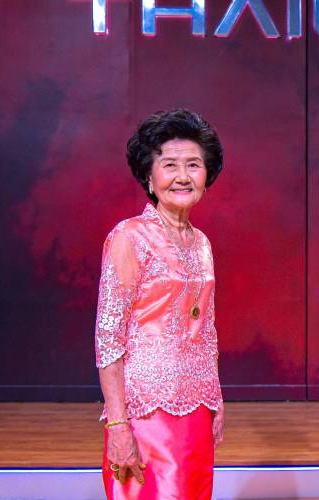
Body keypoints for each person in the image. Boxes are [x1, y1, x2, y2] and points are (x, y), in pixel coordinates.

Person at [95, 108, 224, 499]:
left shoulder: (201, 243)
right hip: (146, 413)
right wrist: (117, 424)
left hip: (197, 409)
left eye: (193, 165)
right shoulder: (129, 237)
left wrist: (215, 399)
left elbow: (207, 330)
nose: (183, 176)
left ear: (206, 175)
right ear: (149, 177)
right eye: (170, 165)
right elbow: (108, 339)